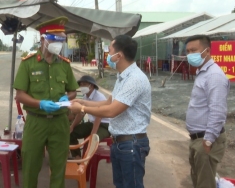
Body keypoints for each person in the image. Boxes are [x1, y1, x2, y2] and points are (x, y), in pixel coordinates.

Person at [68, 35, 151, 188]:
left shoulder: (135, 79)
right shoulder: (122, 77)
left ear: (119, 55)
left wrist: (81, 108)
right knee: (120, 184)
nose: (107, 55)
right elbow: (108, 102)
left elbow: (112, 111)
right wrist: (82, 101)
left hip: (131, 144)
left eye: (109, 50)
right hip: (121, 142)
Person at [13, 16, 79, 188]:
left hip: (60, 122)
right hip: (36, 121)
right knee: (30, 167)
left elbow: (73, 90)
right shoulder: (28, 63)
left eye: (62, 40)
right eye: (55, 39)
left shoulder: (64, 65)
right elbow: (20, 95)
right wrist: (40, 103)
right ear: (43, 39)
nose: (59, 43)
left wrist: (68, 97)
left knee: (58, 169)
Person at [184, 35, 229, 188]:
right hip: (197, 139)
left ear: (207, 51)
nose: (190, 55)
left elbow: (218, 111)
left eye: (194, 50)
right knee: (199, 181)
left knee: (205, 184)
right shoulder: (203, 73)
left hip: (206, 140)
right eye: (188, 51)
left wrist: (208, 140)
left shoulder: (214, 75)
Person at [69, 75, 110, 159]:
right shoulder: (86, 97)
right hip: (92, 123)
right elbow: (81, 113)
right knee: (70, 133)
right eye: (80, 84)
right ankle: (77, 157)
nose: (81, 86)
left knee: (92, 141)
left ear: (90, 85)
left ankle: (86, 164)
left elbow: (99, 116)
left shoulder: (99, 97)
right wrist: (72, 126)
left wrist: (92, 133)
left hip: (105, 125)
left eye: (84, 84)